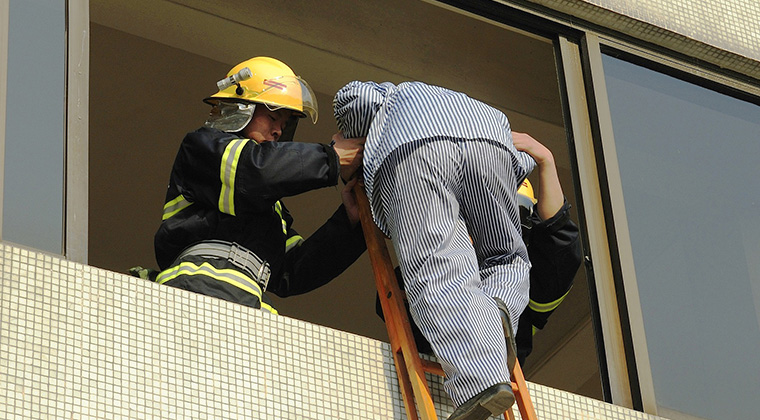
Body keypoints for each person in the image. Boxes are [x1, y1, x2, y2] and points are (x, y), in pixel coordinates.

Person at [334, 80, 535, 420]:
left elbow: (353, 98)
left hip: (417, 145)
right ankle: (496, 309)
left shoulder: (391, 94)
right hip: (492, 143)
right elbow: (517, 165)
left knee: (437, 269)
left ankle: (479, 382)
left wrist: (351, 144)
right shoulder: (466, 101)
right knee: (507, 257)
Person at [153, 56, 366, 314]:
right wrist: (330, 159)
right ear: (242, 106)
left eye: (284, 125)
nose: (278, 131)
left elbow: (292, 270)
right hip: (194, 291)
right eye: (272, 117)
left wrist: (349, 222)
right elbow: (254, 171)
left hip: (249, 303)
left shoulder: (268, 205)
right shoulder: (204, 148)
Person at [511, 133, 582, 367]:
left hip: (495, 376)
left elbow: (559, 243)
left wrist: (546, 161)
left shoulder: (522, 279)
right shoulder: (440, 250)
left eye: (514, 213)